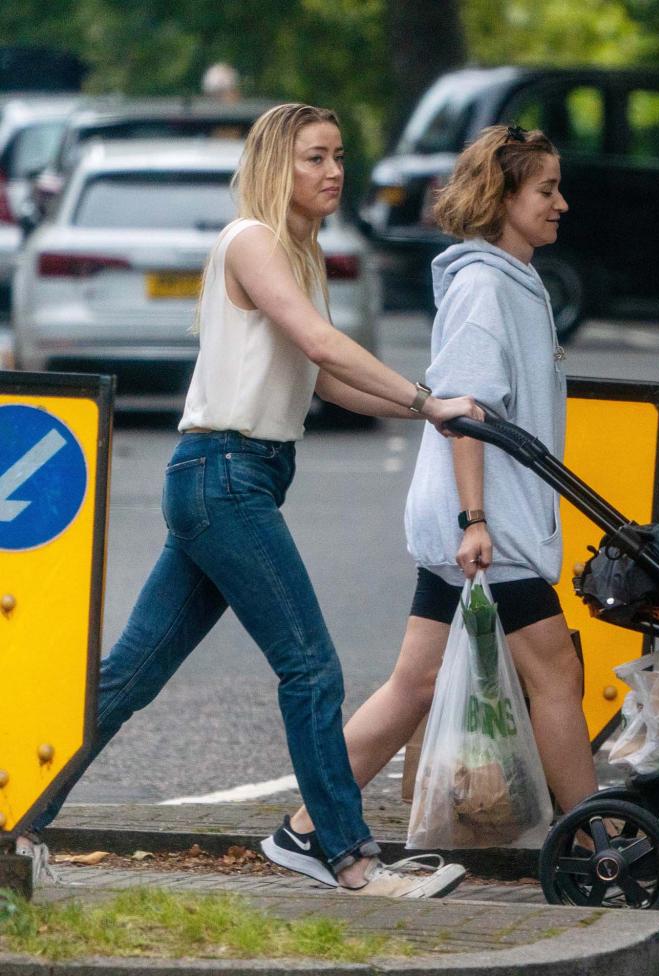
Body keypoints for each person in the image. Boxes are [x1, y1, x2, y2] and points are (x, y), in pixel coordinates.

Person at [15, 103, 481, 899]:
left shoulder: (297, 251)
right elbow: (321, 344)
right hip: (223, 474)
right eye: (314, 158)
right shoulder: (252, 241)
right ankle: (346, 856)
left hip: (236, 476)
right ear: (276, 165)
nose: (333, 172)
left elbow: (325, 379)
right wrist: (429, 397)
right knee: (310, 668)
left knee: (127, 678)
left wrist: (428, 412)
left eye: (338, 157)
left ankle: (13, 814)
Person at [262, 124, 600, 883]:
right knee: (555, 679)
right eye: (546, 190)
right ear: (506, 196)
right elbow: (468, 409)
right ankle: (593, 843)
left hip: (481, 522)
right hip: (489, 527)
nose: (561, 204)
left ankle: (305, 826)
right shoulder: (484, 286)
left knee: (415, 685)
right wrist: (475, 520)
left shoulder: (512, 279)